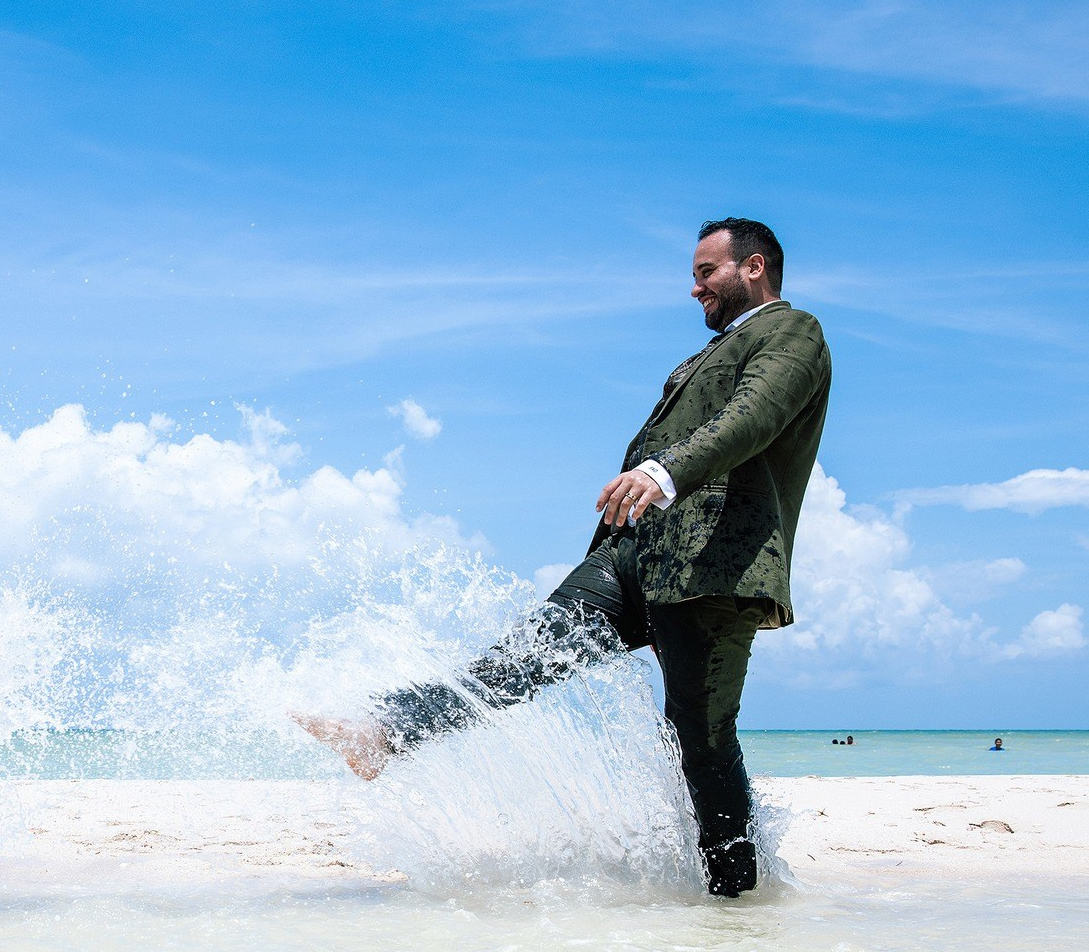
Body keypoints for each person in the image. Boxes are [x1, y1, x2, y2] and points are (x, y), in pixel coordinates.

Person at [297, 219, 829, 898]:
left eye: (706, 272)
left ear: (753, 267)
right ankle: (383, 732)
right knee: (521, 658)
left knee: (700, 738)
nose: (694, 287)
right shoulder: (703, 357)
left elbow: (755, 415)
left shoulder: (793, 332)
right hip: (633, 554)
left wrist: (662, 473)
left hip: (712, 570)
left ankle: (735, 900)